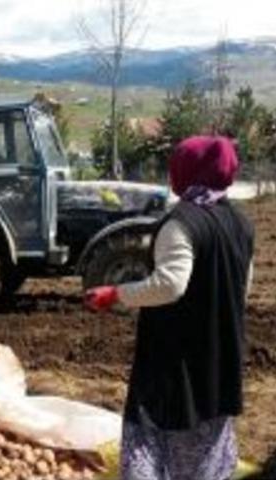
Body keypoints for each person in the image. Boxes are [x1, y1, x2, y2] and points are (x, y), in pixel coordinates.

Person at [85, 136, 254, 480]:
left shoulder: (180, 223)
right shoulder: (240, 223)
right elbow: (243, 286)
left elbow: (170, 285)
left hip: (175, 362)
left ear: (185, 172)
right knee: (206, 446)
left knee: (153, 435)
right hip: (220, 356)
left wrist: (116, 294)